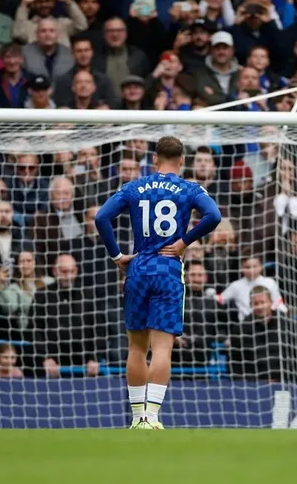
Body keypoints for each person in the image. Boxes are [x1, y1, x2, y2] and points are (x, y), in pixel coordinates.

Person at [94, 136, 222, 429]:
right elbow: (214, 215)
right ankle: (152, 417)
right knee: (162, 348)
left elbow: (102, 217)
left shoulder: (135, 186)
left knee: (136, 348)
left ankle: (137, 418)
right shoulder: (189, 188)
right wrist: (184, 241)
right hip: (167, 269)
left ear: (154, 159)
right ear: (182, 161)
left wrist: (116, 256)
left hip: (137, 268)